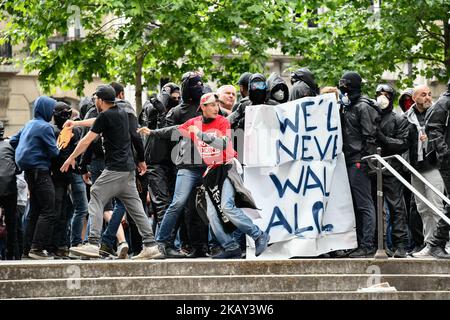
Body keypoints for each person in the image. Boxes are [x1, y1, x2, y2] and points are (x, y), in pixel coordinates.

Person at [139, 92, 270, 259]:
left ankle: (258, 235)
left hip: (226, 168)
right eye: (212, 105)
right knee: (211, 213)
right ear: (203, 108)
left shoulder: (222, 122)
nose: (216, 108)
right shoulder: (194, 123)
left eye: (217, 104)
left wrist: (200, 134)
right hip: (211, 171)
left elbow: (223, 143)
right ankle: (230, 246)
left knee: (227, 207)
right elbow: (172, 130)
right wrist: (151, 132)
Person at [61, 85, 161, 260]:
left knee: (96, 195)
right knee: (136, 207)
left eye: (95, 100)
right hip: (128, 170)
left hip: (115, 168)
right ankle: (151, 245)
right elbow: (96, 121)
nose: (95, 103)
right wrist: (75, 123)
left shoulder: (106, 116)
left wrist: (71, 158)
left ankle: (93, 243)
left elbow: (86, 141)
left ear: (100, 100)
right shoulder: (122, 112)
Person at [10, 96, 59, 259]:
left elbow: (12, 141)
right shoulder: (46, 127)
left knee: (34, 211)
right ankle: (37, 249)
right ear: (45, 110)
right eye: (51, 110)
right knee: (49, 210)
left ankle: (26, 250)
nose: (53, 113)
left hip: (29, 173)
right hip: (41, 172)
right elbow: (54, 152)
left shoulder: (28, 124)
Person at [338, 71, 379, 258]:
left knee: (364, 205)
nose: (343, 88)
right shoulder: (348, 106)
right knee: (356, 205)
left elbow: (370, 136)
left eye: (345, 85)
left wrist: (365, 160)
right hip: (349, 160)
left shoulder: (363, 107)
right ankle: (360, 242)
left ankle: (368, 244)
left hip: (358, 161)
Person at [404, 85, 444, 258]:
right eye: (423, 95)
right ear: (414, 99)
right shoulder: (407, 117)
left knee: (436, 207)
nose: (428, 97)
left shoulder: (437, 113)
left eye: (429, 94)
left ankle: (443, 243)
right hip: (416, 167)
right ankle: (429, 244)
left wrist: (431, 141)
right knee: (422, 208)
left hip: (433, 166)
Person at [373, 84, 410, 258]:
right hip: (372, 168)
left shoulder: (399, 119)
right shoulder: (371, 115)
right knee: (374, 207)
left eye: (386, 94)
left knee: (396, 207)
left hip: (391, 168)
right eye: (379, 94)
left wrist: (383, 139)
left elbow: (403, 143)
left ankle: (401, 244)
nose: (382, 97)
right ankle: (377, 243)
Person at [424, 79, 450, 259]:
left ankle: (437, 242)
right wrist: (445, 153)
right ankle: (436, 242)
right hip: (447, 160)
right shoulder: (443, 103)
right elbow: (433, 129)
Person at [0, 121, 19, 259]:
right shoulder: (10, 146)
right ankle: (10, 255)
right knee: (12, 223)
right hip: (9, 189)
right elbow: (18, 167)